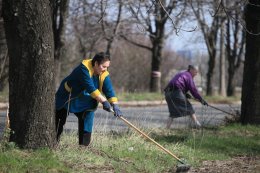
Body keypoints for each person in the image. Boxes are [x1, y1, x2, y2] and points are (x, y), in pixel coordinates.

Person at [55, 52, 123, 146]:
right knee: (59, 119)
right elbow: (90, 87)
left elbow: (109, 90)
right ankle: (53, 143)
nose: (105, 69)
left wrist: (115, 105)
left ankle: (83, 148)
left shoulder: (104, 74)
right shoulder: (83, 69)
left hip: (86, 101)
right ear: (95, 63)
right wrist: (103, 101)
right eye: (103, 66)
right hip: (68, 96)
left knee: (87, 119)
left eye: (107, 67)